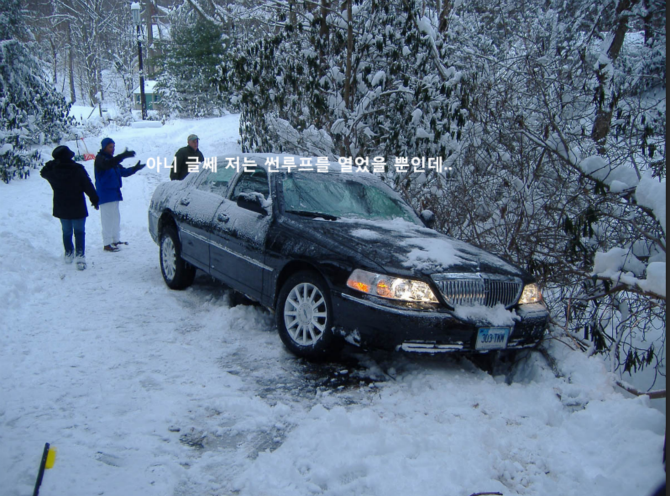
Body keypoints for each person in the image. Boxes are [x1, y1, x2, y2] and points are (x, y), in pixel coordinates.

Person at [41, 145, 99, 270]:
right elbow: (87, 185)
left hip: (61, 206)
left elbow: (43, 172)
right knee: (79, 232)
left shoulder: (53, 172)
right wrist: (94, 199)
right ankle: (80, 255)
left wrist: (52, 163)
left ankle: (68, 253)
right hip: (77, 206)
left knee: (66, 231)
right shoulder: (78, 169)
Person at [94, 137, 145, 252]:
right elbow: (107, 165)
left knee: (115, 218)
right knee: (107, 219)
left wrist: (135, 168)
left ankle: (115, 239)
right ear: (104, 147)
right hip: (105, 195)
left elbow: (123, 172)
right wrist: (122, 156)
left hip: (115, 194)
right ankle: (107, 243)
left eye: (113, 147)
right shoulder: (100, 159)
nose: (112, 149)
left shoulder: (112, 161)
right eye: (110, 147)